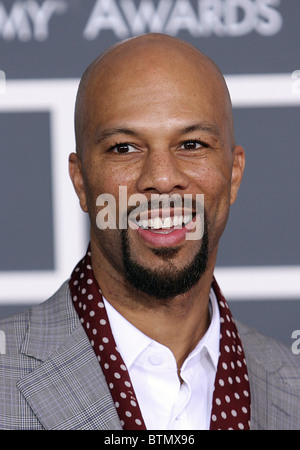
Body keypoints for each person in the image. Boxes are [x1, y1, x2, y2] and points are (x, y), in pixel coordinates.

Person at [0, 33, 299, 431]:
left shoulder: (292, 388)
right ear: (81, 182)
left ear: (233, 174)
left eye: (191, 144)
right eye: (125, 148)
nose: (161, 178)